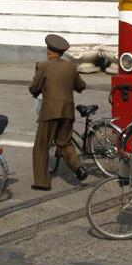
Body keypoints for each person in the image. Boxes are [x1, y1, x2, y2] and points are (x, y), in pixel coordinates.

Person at [29, 34, 89, 190]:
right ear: (61, 53)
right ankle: (78, 167)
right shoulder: (71, 67)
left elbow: (34, 87)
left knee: (41, 146)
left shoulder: (43, 66)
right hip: (68, 112)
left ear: (49, 52)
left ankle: (42, 182)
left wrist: (37, 92)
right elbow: (81, 86)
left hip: (50, 112)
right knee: (65, 142)